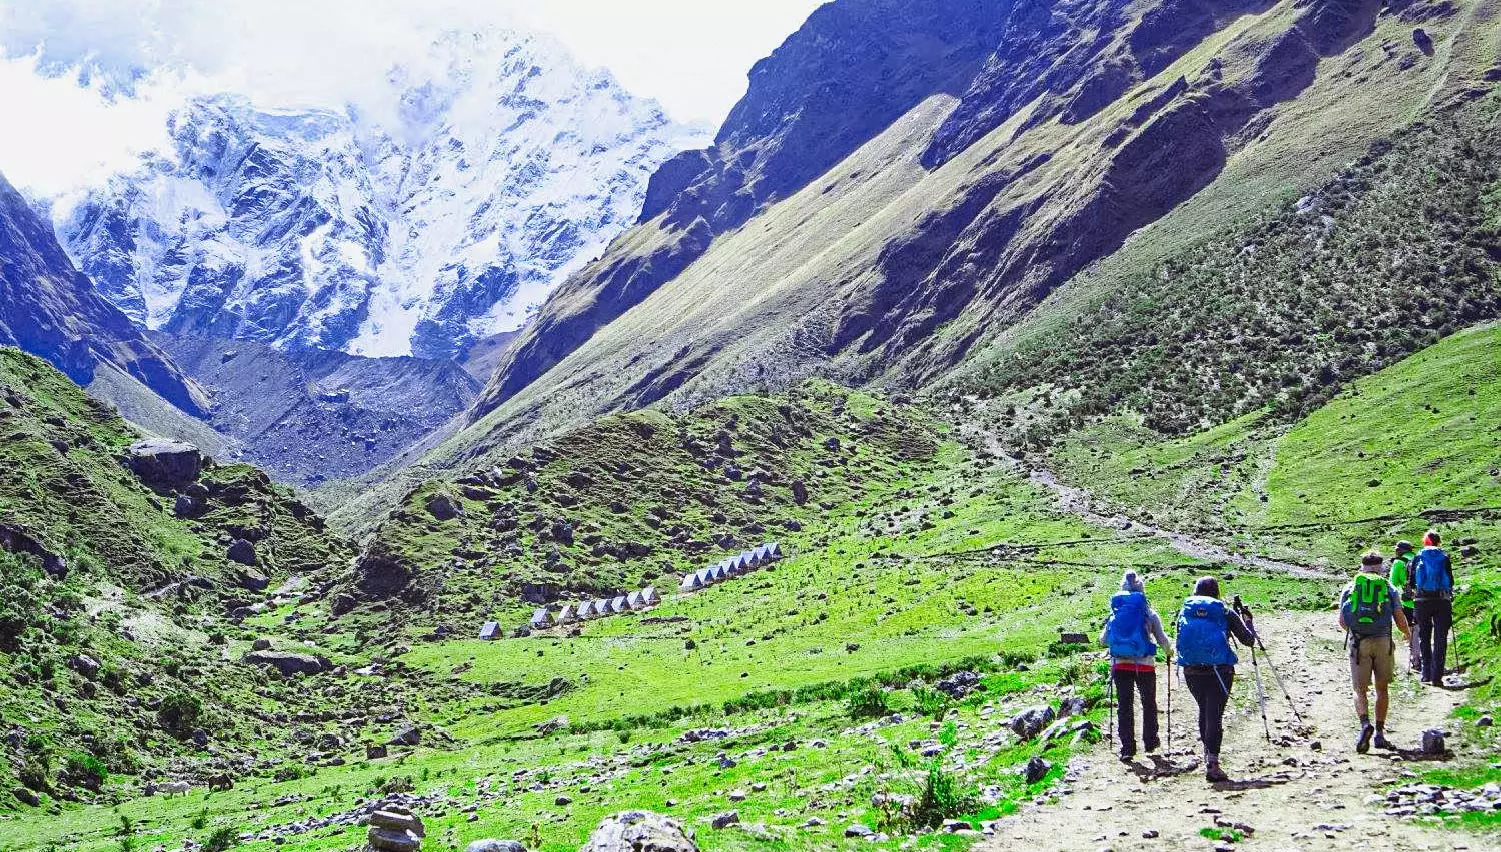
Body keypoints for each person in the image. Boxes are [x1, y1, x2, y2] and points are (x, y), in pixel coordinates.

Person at [1176, 577, 1256, 783]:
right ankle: (1212, 762)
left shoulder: (1184, 611)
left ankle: (1208, 757)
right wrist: (1248, 620)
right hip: (1220, 672)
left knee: (1204, 709)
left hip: (1191, 671)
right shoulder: (1225, 612)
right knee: (1214, 713)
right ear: (1216, 593)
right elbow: (1248, 640)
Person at [1340, 551, 1412, 752]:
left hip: (1358, 643)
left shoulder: (1351, 587)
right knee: (1382, 689)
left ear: (1362, 567)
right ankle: (1380, 734)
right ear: (1381, 568)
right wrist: (1407, 634)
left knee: (1359, 690)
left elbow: (1342, 622)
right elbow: (1399, 618)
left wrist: (1357, 630)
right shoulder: (1388, 587)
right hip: (1383, 642)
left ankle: (1365, 725)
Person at [1100, 570, 1173, 761]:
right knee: (1148, 703)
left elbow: (1102, 640)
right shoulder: (1149, 613)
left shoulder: (1114, 614)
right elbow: (1162, 640)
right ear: (1142, 590)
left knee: (1124, 705)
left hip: (1120, 665)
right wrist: (1169, 653)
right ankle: (1150, 742)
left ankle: (1127, 748)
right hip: (1145, 665)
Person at [1411, 530, 1455, 686]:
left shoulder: (1418, 557)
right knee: (1440, 638)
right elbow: (1450, 581)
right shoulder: (1444, 557)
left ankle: (1425, 674)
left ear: (1425, 542)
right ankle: (1437, 677)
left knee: (1424, 636)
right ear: (1438, 542)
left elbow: (1411, 582)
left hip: (1422, 600)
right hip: (1442, 600)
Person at [1387, 540, 1420, 672]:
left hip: (1409, 602)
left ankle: (1416, 659)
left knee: (1412, 630)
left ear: (1400, 550)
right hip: (1427, 599)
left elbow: (1392, 583)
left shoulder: (1399, 562)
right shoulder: (1420, 559)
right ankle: (1428, 657)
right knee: (1424, 629)